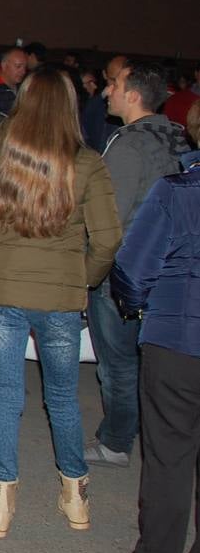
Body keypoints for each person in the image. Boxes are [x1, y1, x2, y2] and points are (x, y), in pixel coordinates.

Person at [0, 69, 122, 537]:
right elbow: (108, 241)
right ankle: (75, 499)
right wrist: (80, 280)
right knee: (64, 399)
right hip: (61, 299)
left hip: (6, 294)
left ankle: (2, 501)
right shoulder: (87, 163)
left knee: (7, 397)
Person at [109, 108, 200, 553]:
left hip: (178, 344)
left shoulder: (178, 191)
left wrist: (140, 305)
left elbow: (132, 265)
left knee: (169, 458)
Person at [85, 60, 188, 468]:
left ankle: (115, 442)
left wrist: (89, 269)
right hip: (169, 273)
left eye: (113, 85)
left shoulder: (127, 144)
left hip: (124, 276)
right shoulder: (179, 136)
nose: (106, 92)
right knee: (156, 365)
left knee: (118, 365)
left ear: (132, 95)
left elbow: (109, 217)